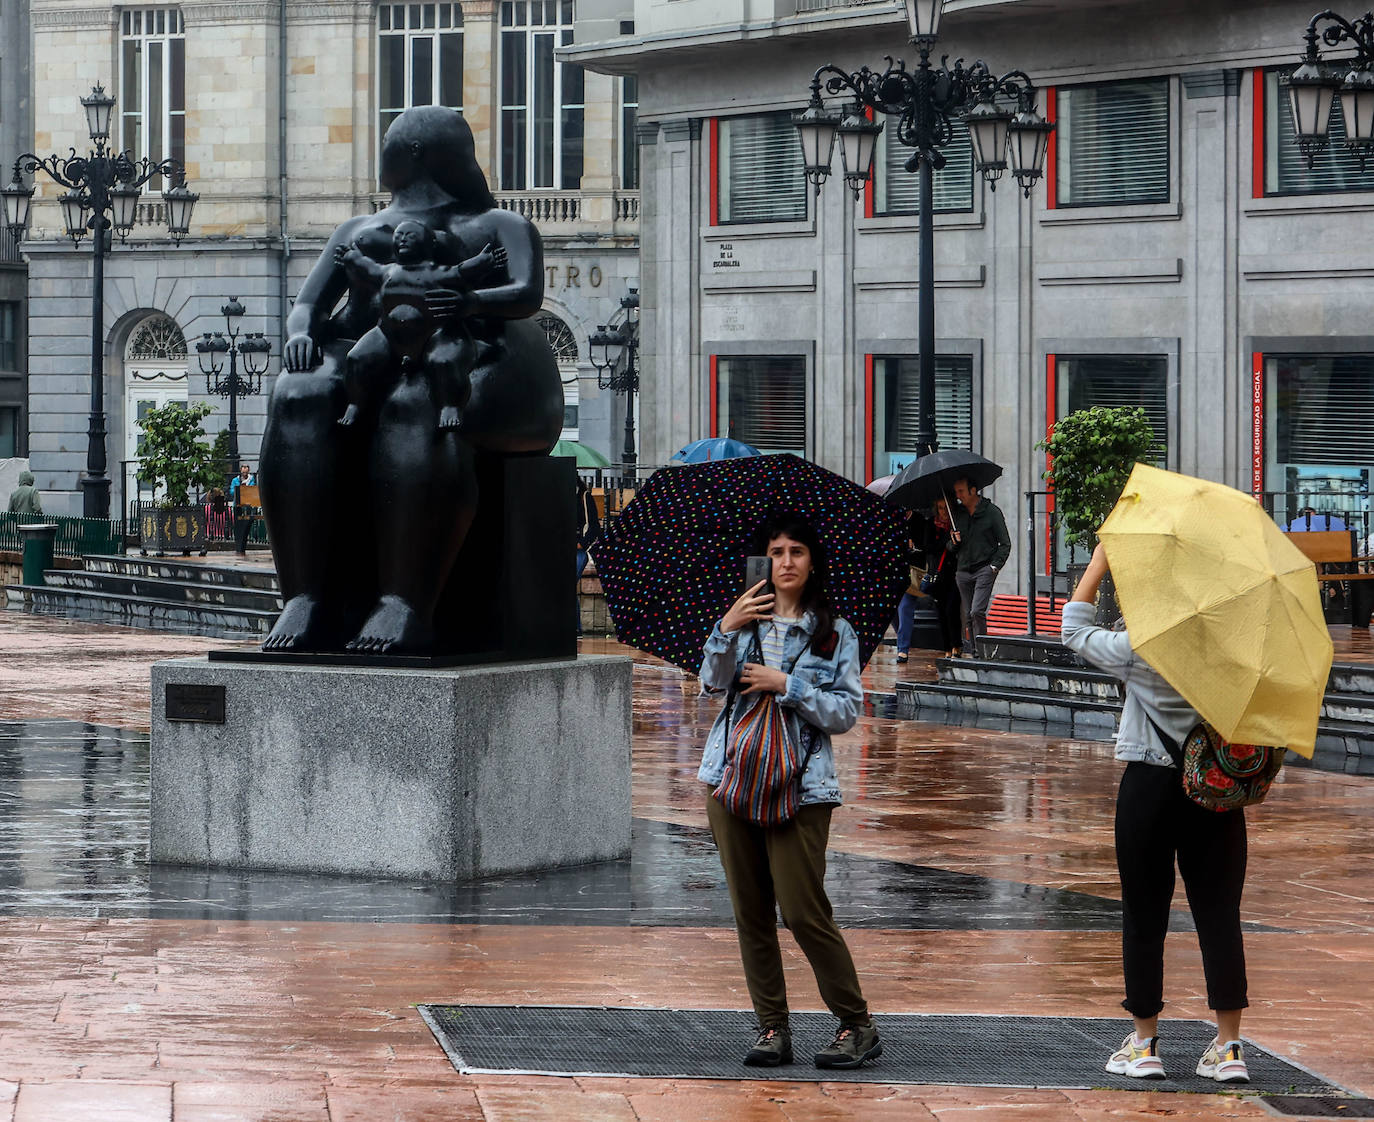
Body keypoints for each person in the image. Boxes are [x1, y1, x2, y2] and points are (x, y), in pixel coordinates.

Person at [260, 105, 563, 654]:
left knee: (419, 395)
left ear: (415, 152)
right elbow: (309, 303)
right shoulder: (357, 231)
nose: (381, 155)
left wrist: (468, 300)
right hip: (376, 354)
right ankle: (304, 596)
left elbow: (525, 296)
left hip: (481, 360)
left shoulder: (500, 227)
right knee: (298, 392)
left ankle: (406, 602)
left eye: (388, 143)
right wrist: (301, 333)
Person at [1062, 543, 1251, 1085]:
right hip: (1216, 789)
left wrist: (1098, 564)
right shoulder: (1233, 649)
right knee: (1220, 916)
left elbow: (1073, 630)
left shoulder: (1144, 643)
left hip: (1148, 785)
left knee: (1145, 914)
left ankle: (1144, 1043)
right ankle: (1229, 1047)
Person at [698, 517, 882, 1072]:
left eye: (796, 551)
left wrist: (789, 685)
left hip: (803, 786)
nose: (785, 562)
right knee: (751, 913)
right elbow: (711, 685)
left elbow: (846, 712)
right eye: (775, 552)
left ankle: (856, 1023)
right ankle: (772, 1027)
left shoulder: (835, 632)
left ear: (812, 562)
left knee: (803, 910)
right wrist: (725, 628)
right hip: (732, 777)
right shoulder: (742, 622)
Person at [333, 222, 506, 431]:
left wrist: (482, 261)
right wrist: (350, 257)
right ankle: (354, 403)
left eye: (411, 236)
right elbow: (366, 266)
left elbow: (461, 272)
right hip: (388, 335)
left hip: (432, 334)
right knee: (356, 358)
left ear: (428, 243)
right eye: (399, 235)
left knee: (444, 362)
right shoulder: (387, 271)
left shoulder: (437, 272)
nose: (403, 239)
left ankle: (450, 406)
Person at [949, 478, 1010, 655]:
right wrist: (954, 542)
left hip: (984, 569)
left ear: (973, 490)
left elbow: (1005, 543)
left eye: (961, 491)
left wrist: (994, 566)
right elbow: (950, 546)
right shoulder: (957, 514)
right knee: (968, 614)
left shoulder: (992, 512)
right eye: (956, 492)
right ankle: (975, 651)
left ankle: (983, 650)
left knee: (977, 611)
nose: (958, 496)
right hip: (963, 570)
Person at [923, 498, 962, 657]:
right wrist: (946, 537)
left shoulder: (957, 523)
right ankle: (946, 647)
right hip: (938, 575)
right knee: (941, 612)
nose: (944, 512)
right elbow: (929, 547)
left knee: (952, 609)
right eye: (940, 508)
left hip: (955, 573)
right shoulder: (931, 524)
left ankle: (957, 645)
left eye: (946, 508)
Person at [574, 477, 600, 636]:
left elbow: (594, 526)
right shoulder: (555, 496)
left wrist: (581, 543)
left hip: (577, 549)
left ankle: (575, 628)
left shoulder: (584, 496)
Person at [231, 463, 257, 557]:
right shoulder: (235, 480)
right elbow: (231, 491)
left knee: (247, 523)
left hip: (248, 504)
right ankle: (238, 545)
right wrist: (239, 488)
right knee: (238, 525)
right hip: (238, 505)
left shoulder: (252, 479)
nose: (244, 471)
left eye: (246, 469)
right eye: (243, 468)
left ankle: (243, 545)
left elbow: (253, 489)